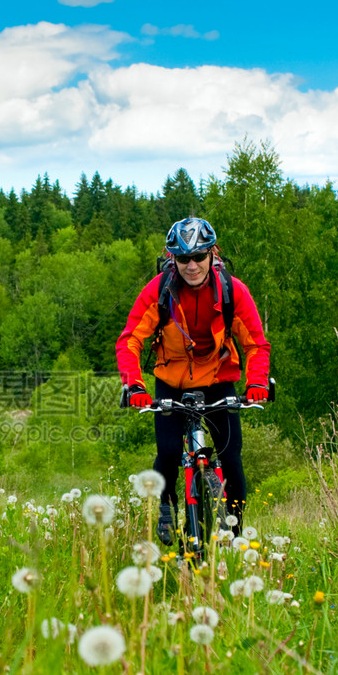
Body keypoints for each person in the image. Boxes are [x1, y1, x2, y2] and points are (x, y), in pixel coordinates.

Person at [116, 216, 270, 541]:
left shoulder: (233, 291)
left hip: (218, 379)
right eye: (183, 258)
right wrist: (135, 385)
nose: (192, 265)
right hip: (171, 381)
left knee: (230, 458)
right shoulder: (159, 290)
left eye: (199, 256)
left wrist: (256, 384)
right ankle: (166, 506)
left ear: (213, 254)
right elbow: (130, 340)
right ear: (172, 258)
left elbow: (255, 343)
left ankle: (236, 531)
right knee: (170, 452)